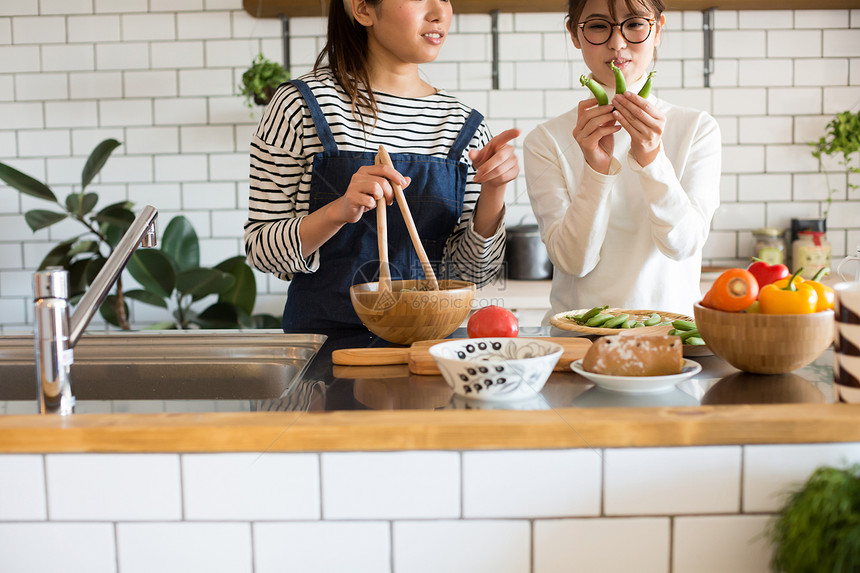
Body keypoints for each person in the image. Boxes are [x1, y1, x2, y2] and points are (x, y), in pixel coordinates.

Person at [244, 0, 519, 334]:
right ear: (363, 9)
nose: (438, 12)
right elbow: (262, 252)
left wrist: (494, 190)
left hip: (430, 352)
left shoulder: (463, 126)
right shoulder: (299, 107)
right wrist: (339, 211)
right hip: (326, 355)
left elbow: (472, 275)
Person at [523, 0, 721, 321]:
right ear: (574, 34)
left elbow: (682, 246)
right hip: (581, 338)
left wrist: (652, 158)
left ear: (657, 29)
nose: (617, 43)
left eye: (634, 24)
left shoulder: (697, 129)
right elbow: (574, 262)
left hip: (670, 337)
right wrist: (596, 170)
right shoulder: (545, 140)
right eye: (599, 26)